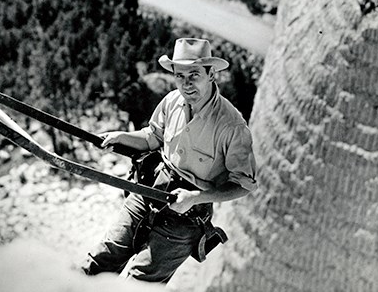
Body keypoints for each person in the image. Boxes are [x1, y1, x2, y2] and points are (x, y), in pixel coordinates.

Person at [82, 38, 257, 283]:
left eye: (194, 75)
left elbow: (243, 185)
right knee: (100, 261)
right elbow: (152, 137)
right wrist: (121, 137)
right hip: (146, 192)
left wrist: (196, 198)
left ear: (211, 74)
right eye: (180, 76)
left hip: (185, 217)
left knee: (138, 286)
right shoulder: (172, 101)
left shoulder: (232, 126)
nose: (186, 84)